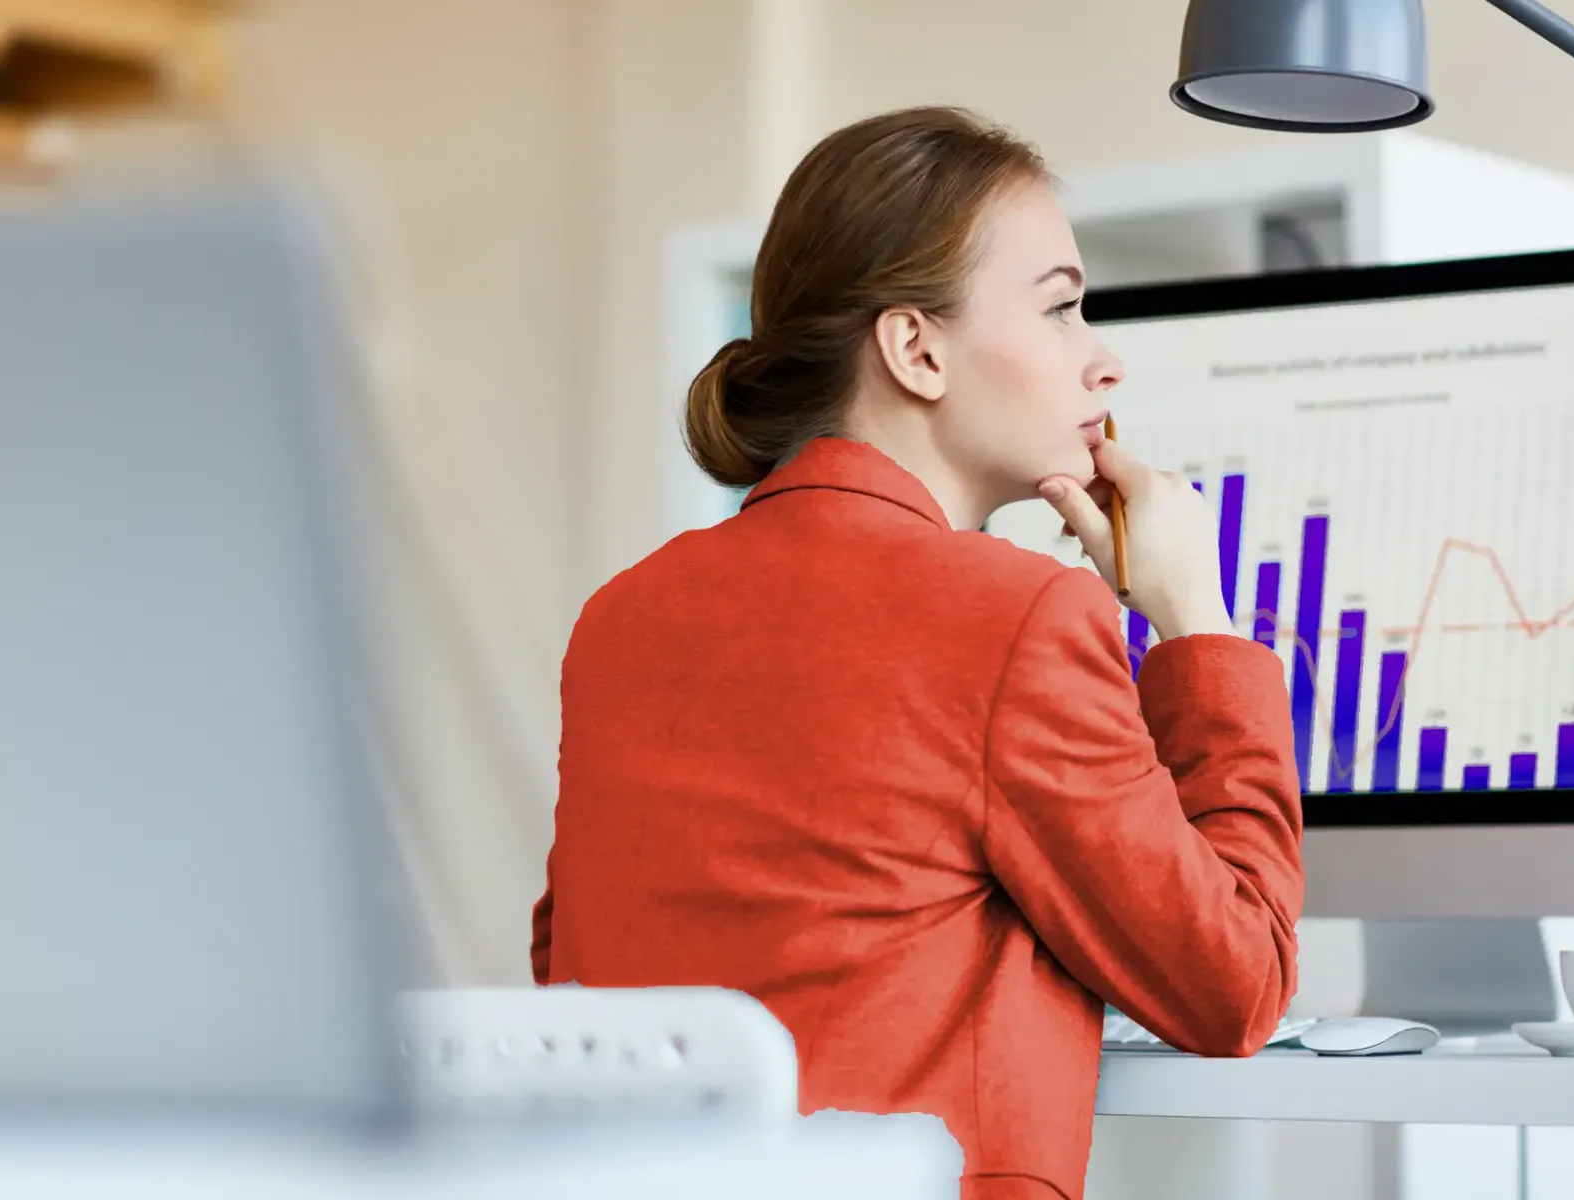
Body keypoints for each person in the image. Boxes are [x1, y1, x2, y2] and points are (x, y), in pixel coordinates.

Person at [531, 105, 1303, 1200]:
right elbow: (1236, 986)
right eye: (1061, 309)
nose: (1105, 362)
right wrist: (1198, 623)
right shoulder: (1018, 616)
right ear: (916, 349)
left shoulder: (621, 618)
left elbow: (577, 981)